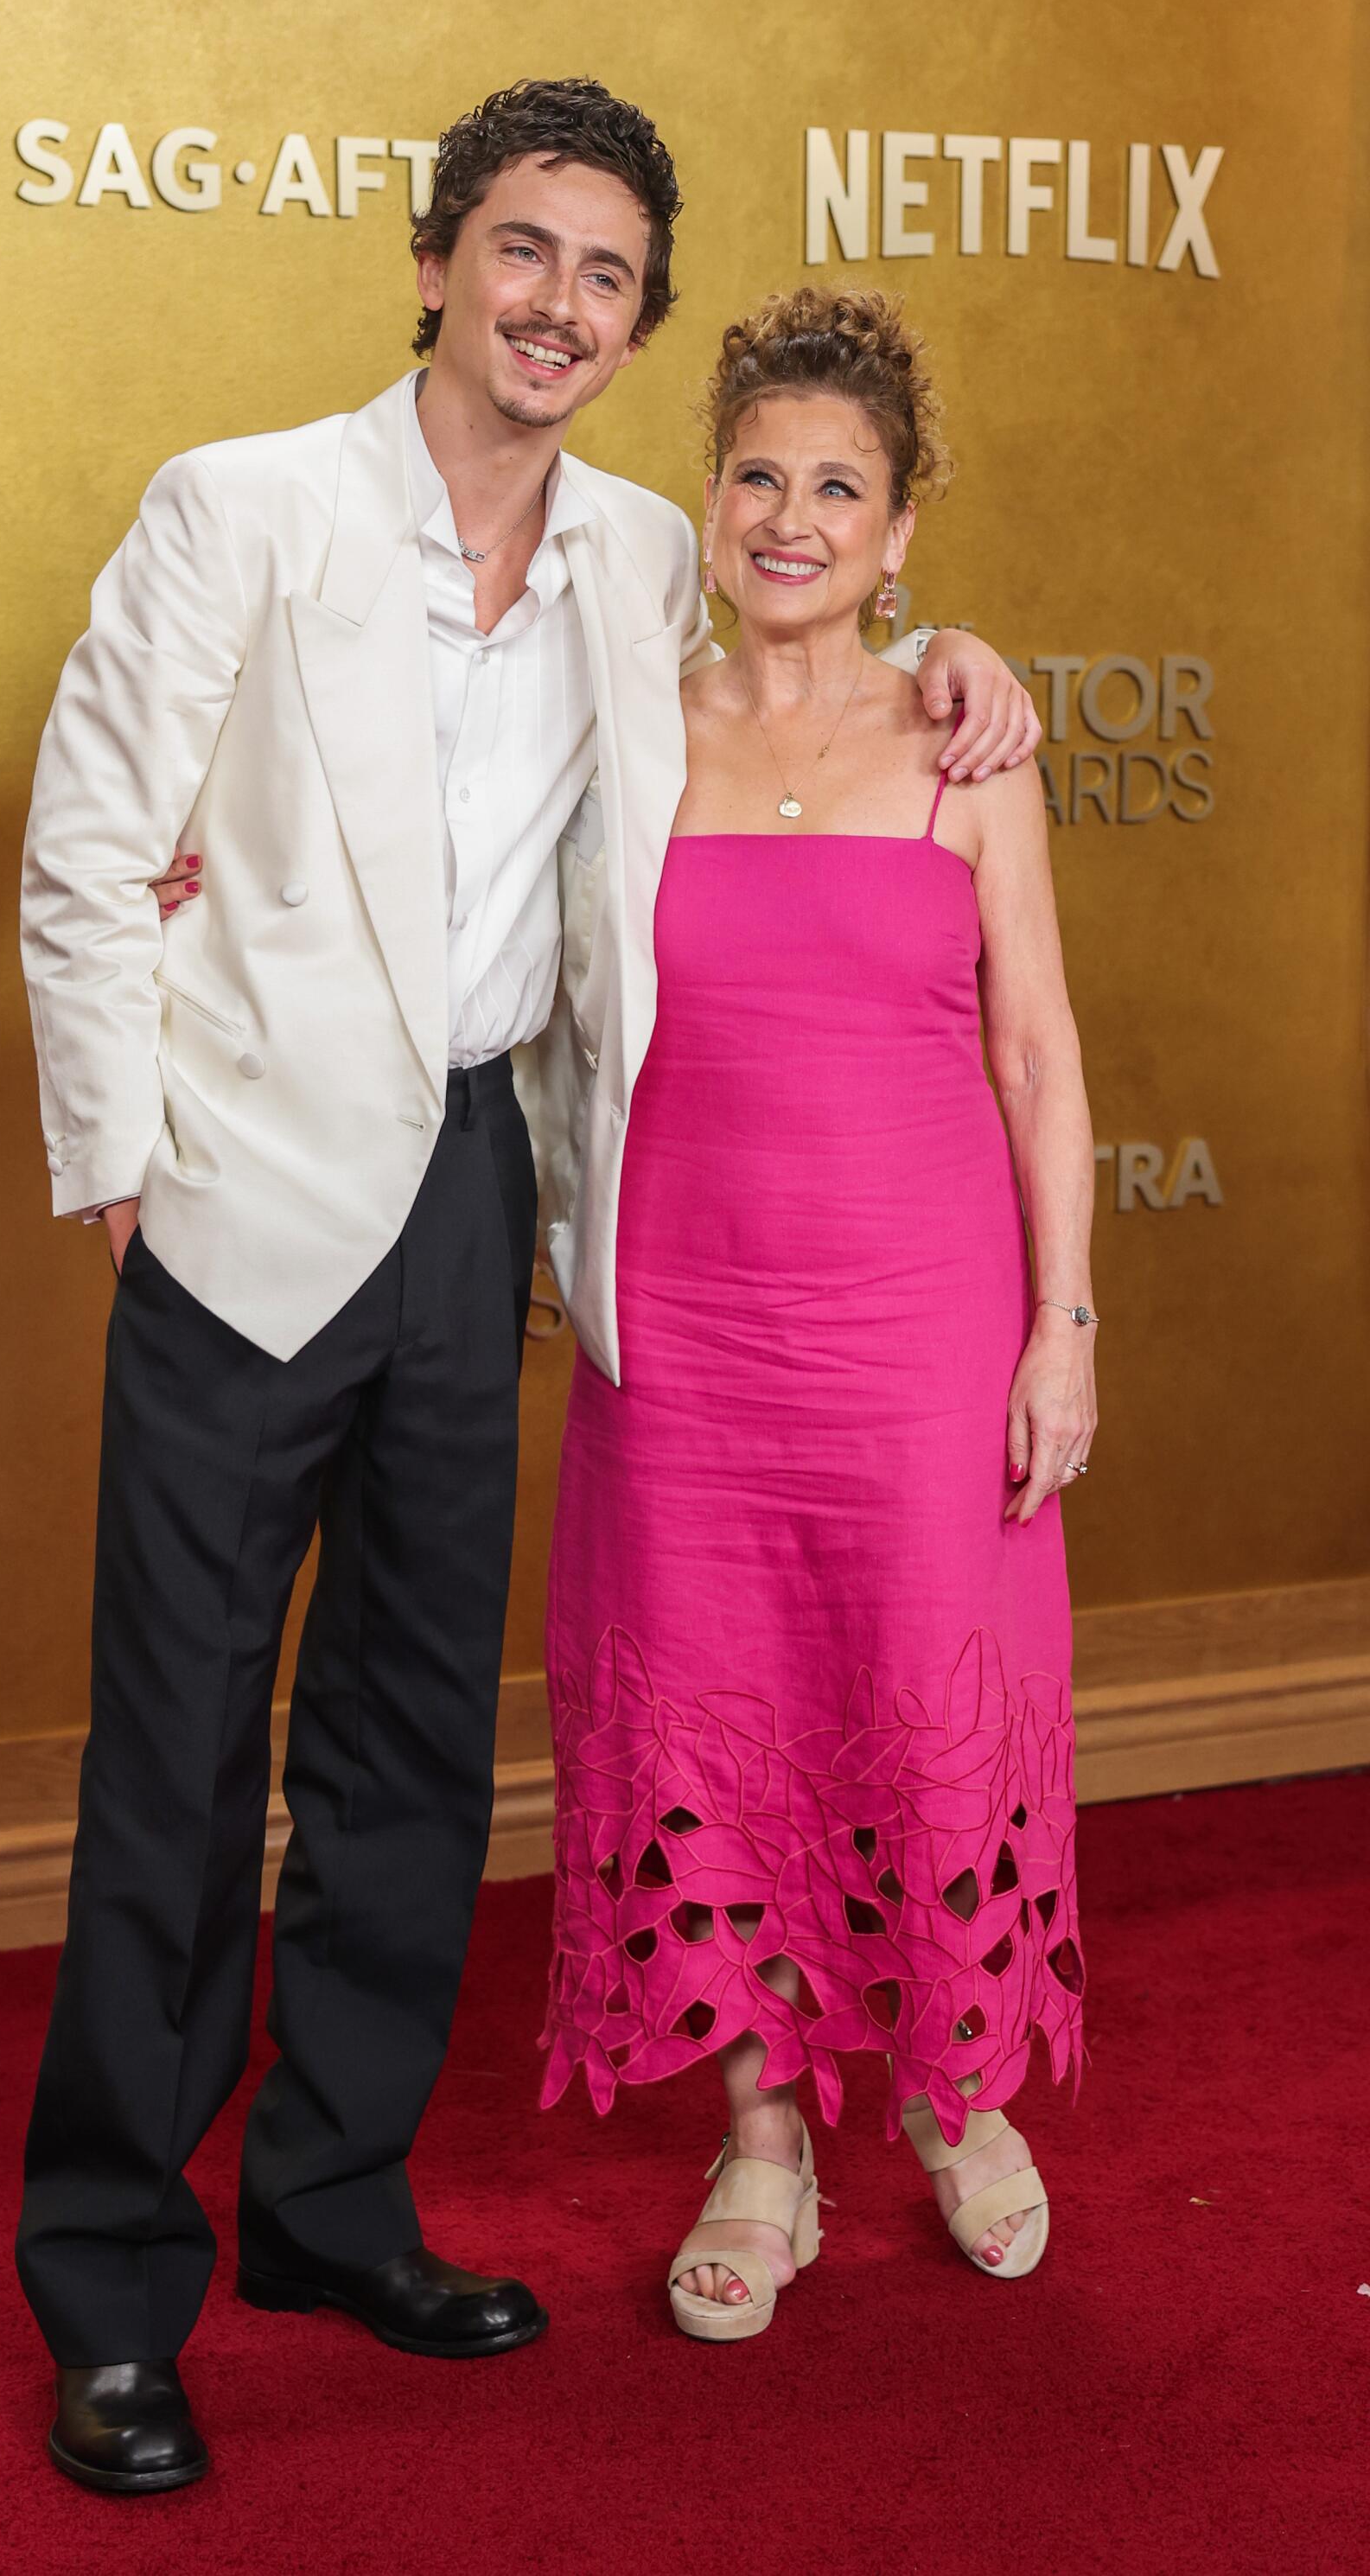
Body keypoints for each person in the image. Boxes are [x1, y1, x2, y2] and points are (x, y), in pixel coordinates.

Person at [22, 76, 1035, 2491]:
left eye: (604, 272)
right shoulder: (243, 505)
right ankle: (115, 2291)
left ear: (638, 317)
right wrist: (125, 1171)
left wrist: (966, 657)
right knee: (180, 1766)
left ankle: (334, 2210)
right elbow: (89, 839)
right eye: (522, 249)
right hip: (246, 1192)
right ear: (439, 259)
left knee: (401, 1758)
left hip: (484, 1183)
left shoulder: (641, 550)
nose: (557, 300)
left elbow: (812, 650)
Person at [537, 289, 1096, 2342]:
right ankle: (765, 2142)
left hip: (925, 1324)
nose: (791, 515)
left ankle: (953, 2098)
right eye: (758, 474)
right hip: (679, 1333)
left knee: (916, 1690)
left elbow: (1037, 1057)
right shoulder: (615, 727)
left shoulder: (968, 737)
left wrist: (1066, 1328)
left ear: (898, 522)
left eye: (836, 486)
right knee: (724, 1712)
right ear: (707, 497)